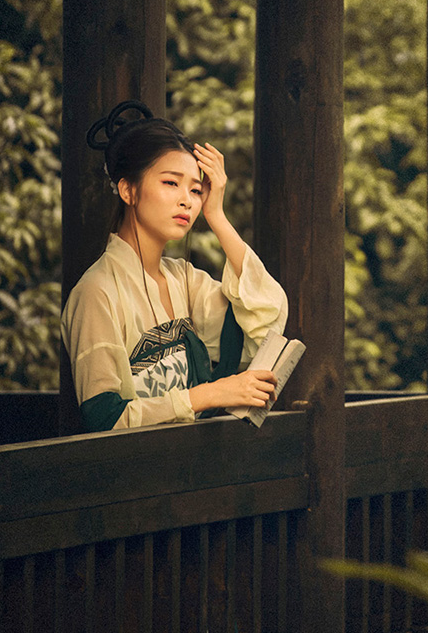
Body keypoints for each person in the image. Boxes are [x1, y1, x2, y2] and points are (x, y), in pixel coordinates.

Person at [62, 99, 288, 433]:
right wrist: (207, 395)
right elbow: (104, 418)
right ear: (129, 190)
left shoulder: (184, 280)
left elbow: (267, 318)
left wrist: (217, 215)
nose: (187, 200)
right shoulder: (97, 292)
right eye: (170, 183)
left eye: (196, 190)